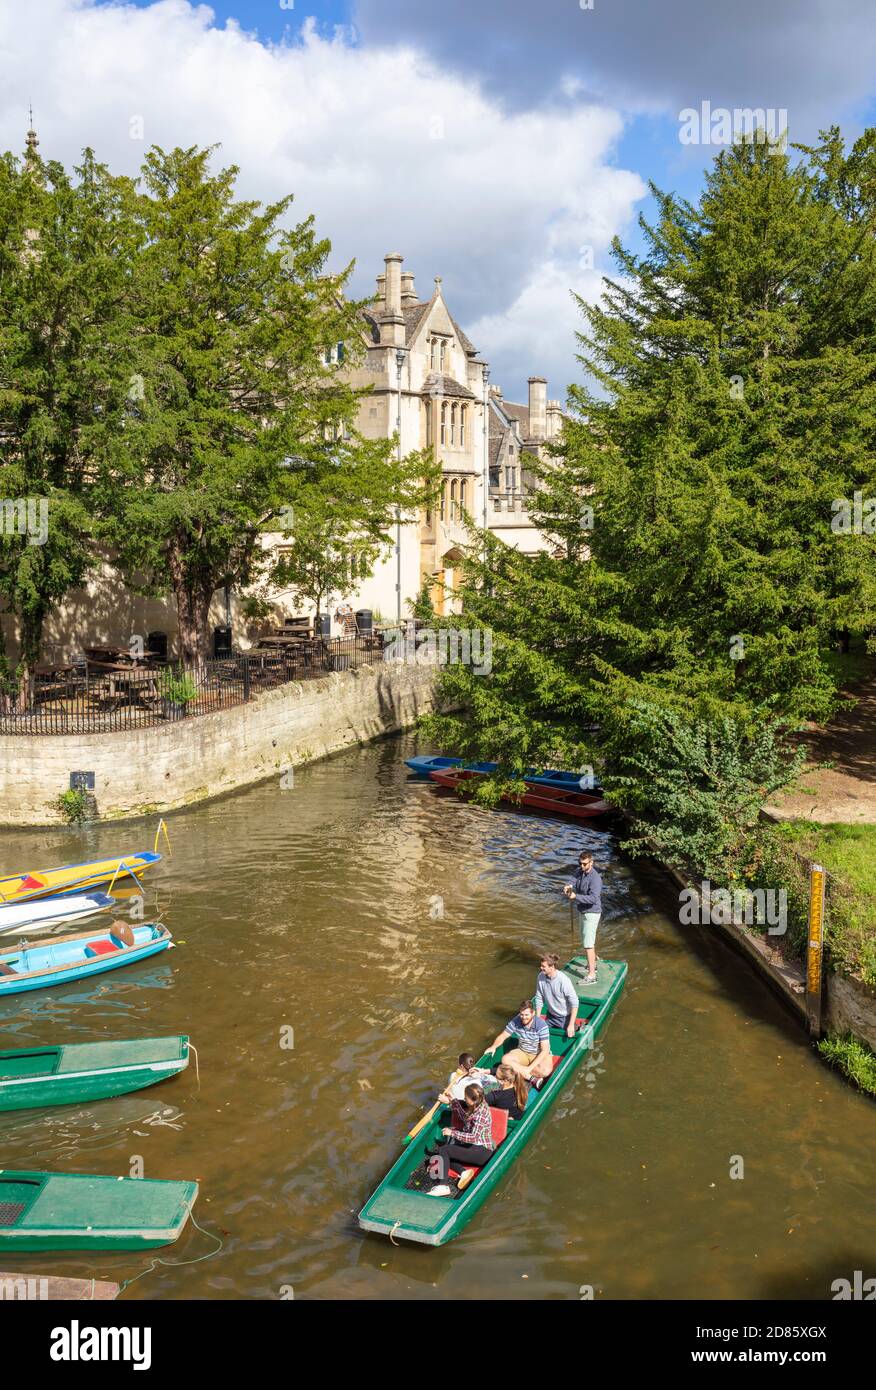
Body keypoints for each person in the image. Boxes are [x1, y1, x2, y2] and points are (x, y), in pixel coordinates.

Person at [428, 1083, 495, 1182]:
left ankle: (442, 1186)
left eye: (466, 1098)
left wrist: (452, 1133)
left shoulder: (481, 1114)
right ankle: (463, 1172)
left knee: (444, 1150)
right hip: (475, 1148)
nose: (464, 1099)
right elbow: (465, 1118)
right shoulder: (477, 1105)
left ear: (473, 1100)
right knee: (444, 1155)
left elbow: (474, 1138)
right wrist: (453, 1100)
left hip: (482, 1152)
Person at [488, 1000, 553, 1082]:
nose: (523, 1017)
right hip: (523, 1052)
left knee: (545, 1071)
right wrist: (493, 1046)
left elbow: (544, 1050)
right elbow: (503, 1035)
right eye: (521, 1014)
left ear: (533, 1013)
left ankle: (519, 1070)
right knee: (505, 1059)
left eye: (526, 1015)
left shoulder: (541, 1025)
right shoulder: (516, 1021)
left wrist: (529, 1068)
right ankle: (529, 1077)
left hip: (538, 1053)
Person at [564, 850, 602, 982]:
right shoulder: (580, 871)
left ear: (591, 863)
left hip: (592, 912)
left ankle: (592, 975)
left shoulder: (595, 879)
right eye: (580, 863)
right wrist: (568, 885)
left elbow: (593, 898)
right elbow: (573, 879)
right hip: (582, 911)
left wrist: (576, 896)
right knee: (586, 939)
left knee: (588, 944)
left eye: (585, 864)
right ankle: (593, 964)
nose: (582, 866)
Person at [535, 953, 579, 1037]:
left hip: (564, 1017)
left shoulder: (563, 980)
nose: (541, 968)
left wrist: (570, 1025)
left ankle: (577, 1027)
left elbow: (575, 1003)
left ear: (551, 967)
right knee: (537, 1032)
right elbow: (539, 998)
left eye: (543, 966)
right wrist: (537, 1019)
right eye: (541, 966)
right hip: (550, 1016)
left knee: (572, 1033)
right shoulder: (541, 977)